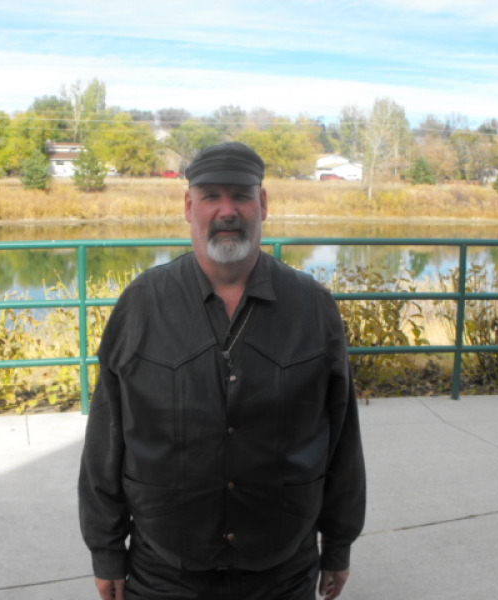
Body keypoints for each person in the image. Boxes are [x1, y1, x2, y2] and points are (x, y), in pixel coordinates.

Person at [78, 142, 366, 600]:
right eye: (211, 196)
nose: (227, 210)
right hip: (165, 566)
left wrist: (338, 543)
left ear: (263, 204)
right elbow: (106, 437)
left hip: (281, 565)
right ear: (188, 206)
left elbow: (342, 435)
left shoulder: (312, 306)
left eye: (241, 196)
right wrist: (106, 549)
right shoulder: (143, 303)